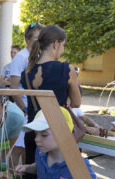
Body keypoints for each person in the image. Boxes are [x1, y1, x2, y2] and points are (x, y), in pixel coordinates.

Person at [21, 25, 82, 171]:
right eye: (63, 45)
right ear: (56, 44)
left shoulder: (27, 72)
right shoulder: (66, 69)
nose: (63, 50)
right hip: (56, 136)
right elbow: (76, 103)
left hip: (33, 134)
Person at [15, 108, 101, 179]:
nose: (36, 139)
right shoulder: (40, 152)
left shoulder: (78, 163)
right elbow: (40, 168)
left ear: (63, 134)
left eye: (44, 135)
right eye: (36, 134)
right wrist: (27, 168)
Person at [10, 22, 44, 112]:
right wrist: (24, 109)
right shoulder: (20, 57)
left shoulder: (40, 56)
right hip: (26, 109)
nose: (41, 41)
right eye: (37, 38)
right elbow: (14, 87)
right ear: (27, 39)